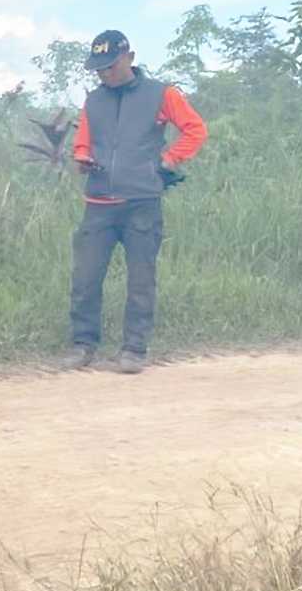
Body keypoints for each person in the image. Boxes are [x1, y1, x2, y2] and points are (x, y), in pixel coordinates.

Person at [65, 30, 207, 374]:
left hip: (141, 200)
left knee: (141, 278)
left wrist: (168, 161)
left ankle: (134, 349)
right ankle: (83, 344)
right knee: (86, 277)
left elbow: (195, 129)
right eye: (99, 69)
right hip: (98, 200)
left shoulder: (161, 94)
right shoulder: (94, 100)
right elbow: (83, 141)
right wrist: (82, 157)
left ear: (129, 57)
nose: (104, 74)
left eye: (110, 66)